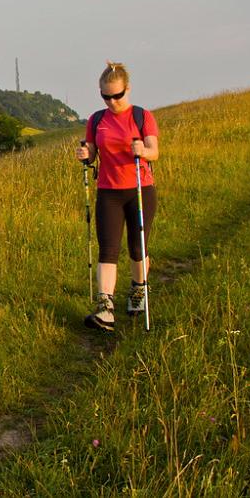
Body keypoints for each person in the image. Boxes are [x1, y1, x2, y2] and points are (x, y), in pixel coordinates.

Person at [75, 61, 159, 331]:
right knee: (108, 250)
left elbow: (154, 151)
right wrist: (86, 155)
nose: (111, 101)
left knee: (137, 248)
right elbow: (92, 150)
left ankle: (138, 289)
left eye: (117, 95)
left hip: (139, 189)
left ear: (128, 89)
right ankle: (105, 307)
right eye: (105, 96)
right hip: (108, 192)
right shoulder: (96, 120)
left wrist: (142, 151)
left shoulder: (142, 116)